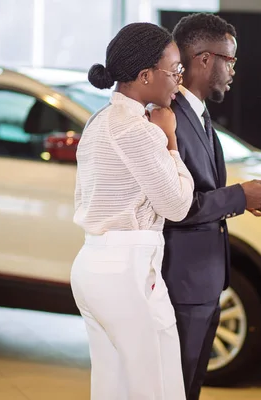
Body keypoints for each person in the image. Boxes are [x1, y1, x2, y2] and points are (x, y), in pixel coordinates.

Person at [162, 13, 261, 400]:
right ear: (203, 59)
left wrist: (246, 200)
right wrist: (238, 196)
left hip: (205, 280)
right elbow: (177, 205)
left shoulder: (198, 115)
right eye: (230, 60)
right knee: (175, 388)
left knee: (190, 387)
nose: (234, 70)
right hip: (181, 281)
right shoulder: (170, 119)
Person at [71, 22, 194, 400]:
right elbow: (177, 206)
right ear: (145, 76)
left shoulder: (101, 120)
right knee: (150, 387)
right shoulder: (135, 130)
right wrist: (171, 139)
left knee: (115, 385)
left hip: (100, 264)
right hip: (124, 270)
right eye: (175, 71)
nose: (179, 81)